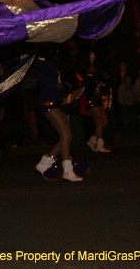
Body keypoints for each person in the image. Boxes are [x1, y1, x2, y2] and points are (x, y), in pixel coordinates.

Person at [34, 45, 83, 181]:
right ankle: (67, 169)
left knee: (67, 136)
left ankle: (45, 162)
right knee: (66, 134)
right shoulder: (42, 63)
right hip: (47, 103)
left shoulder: (52, 63)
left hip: (55, 102)